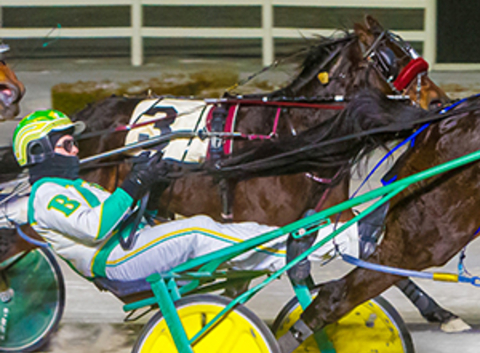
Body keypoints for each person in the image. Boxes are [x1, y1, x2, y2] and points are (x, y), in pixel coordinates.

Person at [11, 109, 355, 285]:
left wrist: (150, 180)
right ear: (41, 153)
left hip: (127, 246)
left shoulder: (72, 188)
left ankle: (305, 245)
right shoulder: (46, 195)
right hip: (115, 259)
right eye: (67, 144)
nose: (75, 151)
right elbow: (95, 226)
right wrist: (136, 183)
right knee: (197, 232)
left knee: (207, 228)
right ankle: (320, 245)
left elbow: (116, 212)